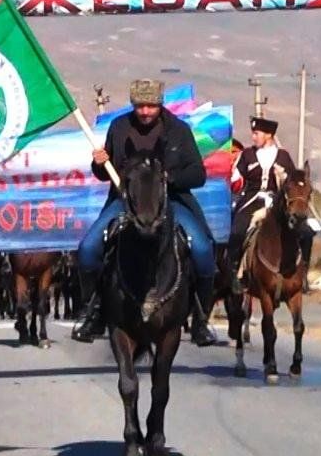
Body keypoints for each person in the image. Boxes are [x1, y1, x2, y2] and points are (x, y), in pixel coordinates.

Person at [73, 79, 218, 346]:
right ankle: (93, 312)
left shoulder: (179, 131)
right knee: (88, 248)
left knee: (202, 249)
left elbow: (198, 174)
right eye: (140, 105)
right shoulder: (119, 128)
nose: (145, 111)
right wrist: (99, 164)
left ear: (160, 105)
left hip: (172, 202)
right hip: (126, 202)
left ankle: (200, 319)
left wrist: (168, 180)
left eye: (151, 105)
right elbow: (105, 174)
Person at [230, 117, 312, 292]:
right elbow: (236, 179)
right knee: (237, 230)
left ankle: (303, 273)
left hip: (277, 203)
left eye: (256, 133)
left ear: (268, 135)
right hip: (253, 200)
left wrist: (283, 178)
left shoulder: (283, 156)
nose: (253, 137)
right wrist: (233, 176)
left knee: (306, 232)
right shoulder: (247, 155)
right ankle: (235, 273)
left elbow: (293, 183)